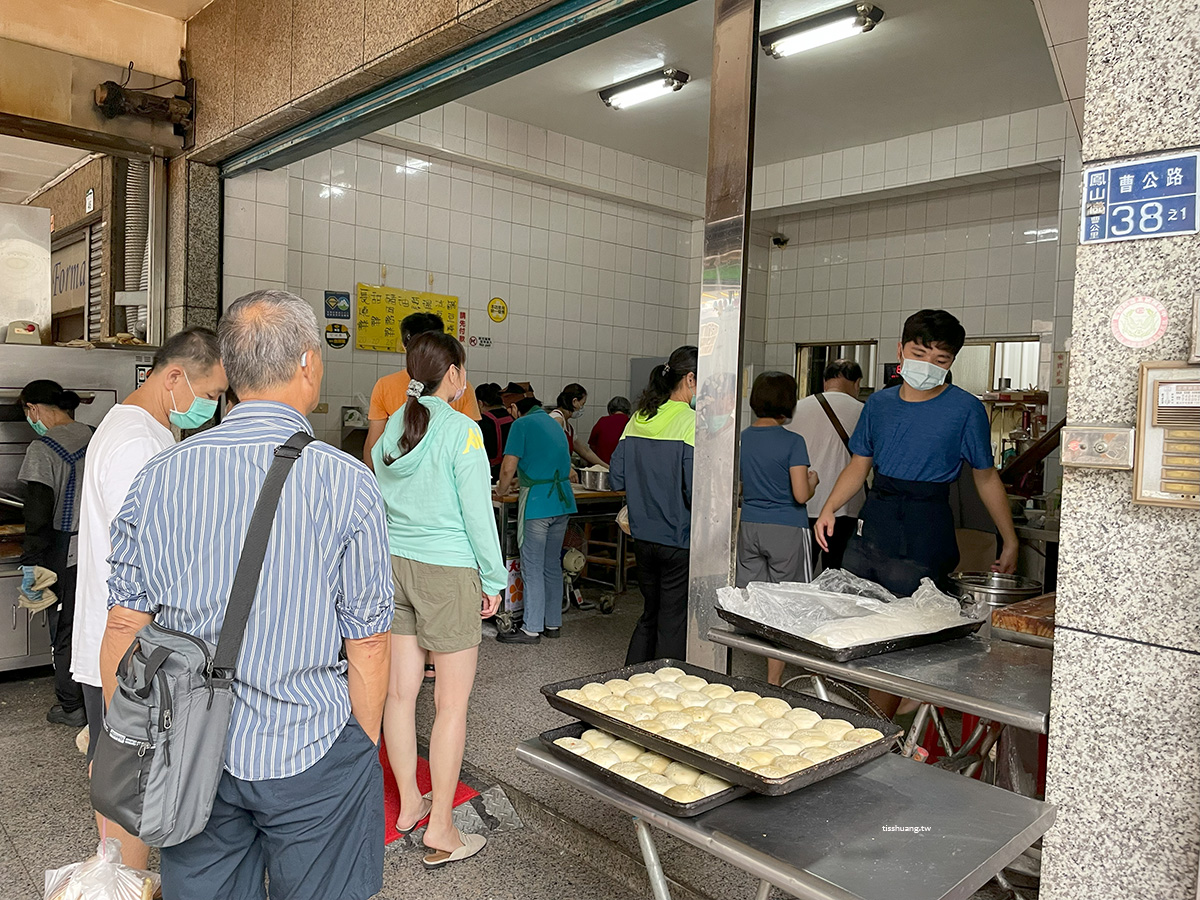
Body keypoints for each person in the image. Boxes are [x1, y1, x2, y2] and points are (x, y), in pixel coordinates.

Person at [99, 291, 393, 900]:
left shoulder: (160, 474)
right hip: (309, 744)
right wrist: (359, 748)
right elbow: (368, 642)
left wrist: (145, 742)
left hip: (191, 752)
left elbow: (125, 627)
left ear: (229, 372)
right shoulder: (346, 481)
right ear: (310, 363)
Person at [75, 326, 225, 870]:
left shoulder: (138, 428)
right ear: (175, 377)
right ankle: (125, 878)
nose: (212, 407)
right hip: (130, 640)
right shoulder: (139, 443)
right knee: (132, 770)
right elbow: (150, 557)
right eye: (210, 394)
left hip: (121, 636)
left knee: (117, 762)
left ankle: (118, 871)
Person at [372, 332, 502, 867]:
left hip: (394, 567)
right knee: (450, 705)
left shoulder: (392, 430)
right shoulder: (463, 431)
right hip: (447, 573)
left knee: (399, 698)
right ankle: (442, 828)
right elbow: (478, 514)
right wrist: (493, 578)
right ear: (453, 373)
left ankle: (408, 805)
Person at [815, 309, 1019, 602]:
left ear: (952, 362)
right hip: (875, 518)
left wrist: (1009, 540)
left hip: (926, 522)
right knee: (853, 604)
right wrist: (829, 507)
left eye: (940, 360)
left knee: (914, 614)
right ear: (900, 350)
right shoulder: (878, 404)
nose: (927, 366)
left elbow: (986, 477)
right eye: (919, 354)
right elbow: (859, 465)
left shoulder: (965, 409)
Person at [609, 345, 697, 664]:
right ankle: (664, 691)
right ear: (689, 379)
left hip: (643, 537)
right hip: (678, 539)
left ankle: (631, 680)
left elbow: (616, 478)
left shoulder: (637, 419)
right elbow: (695, 489)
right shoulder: (691, 423)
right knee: (672, 620)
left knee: (650, 613)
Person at [737, 372, 819, 686]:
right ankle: (775, 679)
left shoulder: (742, 438)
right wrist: (813, 482)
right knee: (789, 605)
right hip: (787, 528)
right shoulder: (793, 442)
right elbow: (800, 494)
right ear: (788, 403)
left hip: (751, 526)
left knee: (756, 601)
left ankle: (757, 669)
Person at [18, 380, 91, 727]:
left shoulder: (42, 449)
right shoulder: (95, 434)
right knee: (93, 621)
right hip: (102, 544)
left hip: (64, 548)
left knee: (64, 627)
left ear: (33, 409)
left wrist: (31, 562)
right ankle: (96, 701)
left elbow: (37, 512)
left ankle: (70, 705)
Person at [494, 395, 577, 644]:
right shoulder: (554, 423)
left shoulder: (521, 424)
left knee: (532, 568)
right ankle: (553, 623)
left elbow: (508, 467)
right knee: (552, 565)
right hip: (561, 502)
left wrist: (501, 490)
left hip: (538, 505)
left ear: (514, 408)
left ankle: (531, 628)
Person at [364, 313, 481, 472]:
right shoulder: (461, 387)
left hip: (393, 484)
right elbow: (471, 450)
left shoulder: (385, 386)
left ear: (405, 345)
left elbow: (373, 449)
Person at [787, 359, 865, 571]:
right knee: (836, 575)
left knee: (801, 573)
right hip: (845, 508)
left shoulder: (796, 409)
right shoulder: (863, 411)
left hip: (803, 504)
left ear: (824, 382)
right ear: (857, 383)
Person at [549, 383, 606, 468]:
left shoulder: (569, 428)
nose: (581, 408)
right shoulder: (557, 419)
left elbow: (585, 452)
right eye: (582, 404)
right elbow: (551, 449)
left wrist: (607, 468)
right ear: (575, 401)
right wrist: (567, 467)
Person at [475, 383, 513, 480]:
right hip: (512, 471)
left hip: (491, 474)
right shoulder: (512, 417)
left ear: (480, 403)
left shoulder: (484, 422)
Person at [588, 396, 631, 465]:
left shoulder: (602, 421)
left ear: (609, 410)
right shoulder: (631, 423)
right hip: (622, 468)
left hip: (602, 467)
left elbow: (592, 446)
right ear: (628, 411)